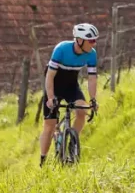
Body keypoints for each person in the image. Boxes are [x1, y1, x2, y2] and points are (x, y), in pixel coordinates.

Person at [39, 23, 99, 166]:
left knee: (82, 110)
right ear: (79, 40)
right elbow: (50, 76)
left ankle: (73, 142)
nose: (94, 43)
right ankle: (43, 160)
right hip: (54, 86)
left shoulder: (92, 54)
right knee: (49, 126)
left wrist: (93, 99)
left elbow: (92, 78)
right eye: (91, 41)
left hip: (71, 87)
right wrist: (51, 97)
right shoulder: (61, 49)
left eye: (95, 40)